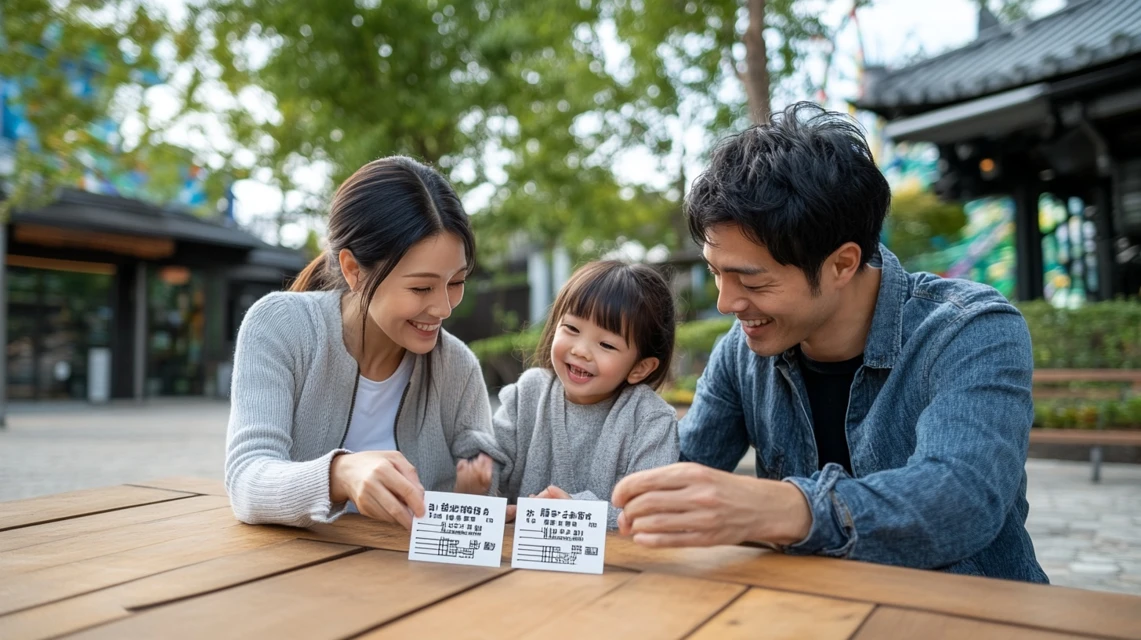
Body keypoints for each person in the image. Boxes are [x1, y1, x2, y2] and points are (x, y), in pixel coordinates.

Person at [612, 102, 1048, 583]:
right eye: (717, 274)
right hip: (811, 611)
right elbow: (681, 468)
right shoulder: (740, 353)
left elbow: (962, 498)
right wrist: (595, 508)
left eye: (751, 283)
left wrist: (785, 508)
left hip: (973, 615)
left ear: (842, 263)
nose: (725, 303)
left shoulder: (970, 329)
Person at [226, 156, 502, 529]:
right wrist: (340, 474)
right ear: (353, 270)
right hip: (291, 574)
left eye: (456, 282)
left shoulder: (456, 367)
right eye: (421, 287)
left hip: (413, 580)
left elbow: (487, 488)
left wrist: (477, 494)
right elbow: (247, 480)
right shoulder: (281, 326)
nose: (443, 308)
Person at [492, 261, 679, 528]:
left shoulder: (650, 420)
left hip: (613, 566)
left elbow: (648, 512)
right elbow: (490, 464)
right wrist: (476, 482)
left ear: (640, 367)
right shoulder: (529, 393)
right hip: (517, 562)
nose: (581, 350)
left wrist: (576, 513)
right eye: (571, 328)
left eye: (605, 344)